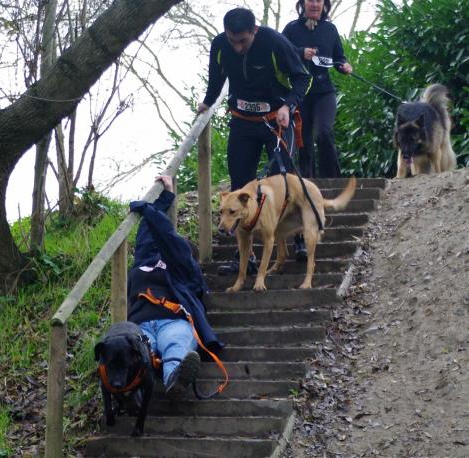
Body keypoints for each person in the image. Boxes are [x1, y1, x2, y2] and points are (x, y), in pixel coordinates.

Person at [198, 7, 313, 272]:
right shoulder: (220, 45)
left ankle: (297, 240)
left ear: (254, 32)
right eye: (232, 41)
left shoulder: (274, 42)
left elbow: (302, 78)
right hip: (242, 122)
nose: (237, 47)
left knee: (283, 183)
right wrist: (206, 103)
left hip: (276, 120)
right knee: (240, 188)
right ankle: (245, 257)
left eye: (243, 41)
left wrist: (289, 106)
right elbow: (216, 80)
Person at [127, 175, 224, 399]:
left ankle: (175, 380)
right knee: (137, 348)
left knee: (175, 345)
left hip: (173, 321)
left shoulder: (186, 271)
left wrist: (150, 211)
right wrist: (166, 197)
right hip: (140, 323)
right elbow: (148, 233)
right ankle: (132, 391)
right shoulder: (145, 260)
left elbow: (172, 242)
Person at [282, 0, 353, 178]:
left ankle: (332, 181)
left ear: (324, 4)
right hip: (300, 94)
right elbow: (280, 55)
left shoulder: (330, 29)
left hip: (324, 92)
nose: (315, 4)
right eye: (310, 0)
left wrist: (344, 66)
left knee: (324, 133)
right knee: (303, 142)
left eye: (319, 1)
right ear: (303, 3)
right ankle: (306, 184)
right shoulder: (291, 29)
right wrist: (300, 53)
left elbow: (339, 58)